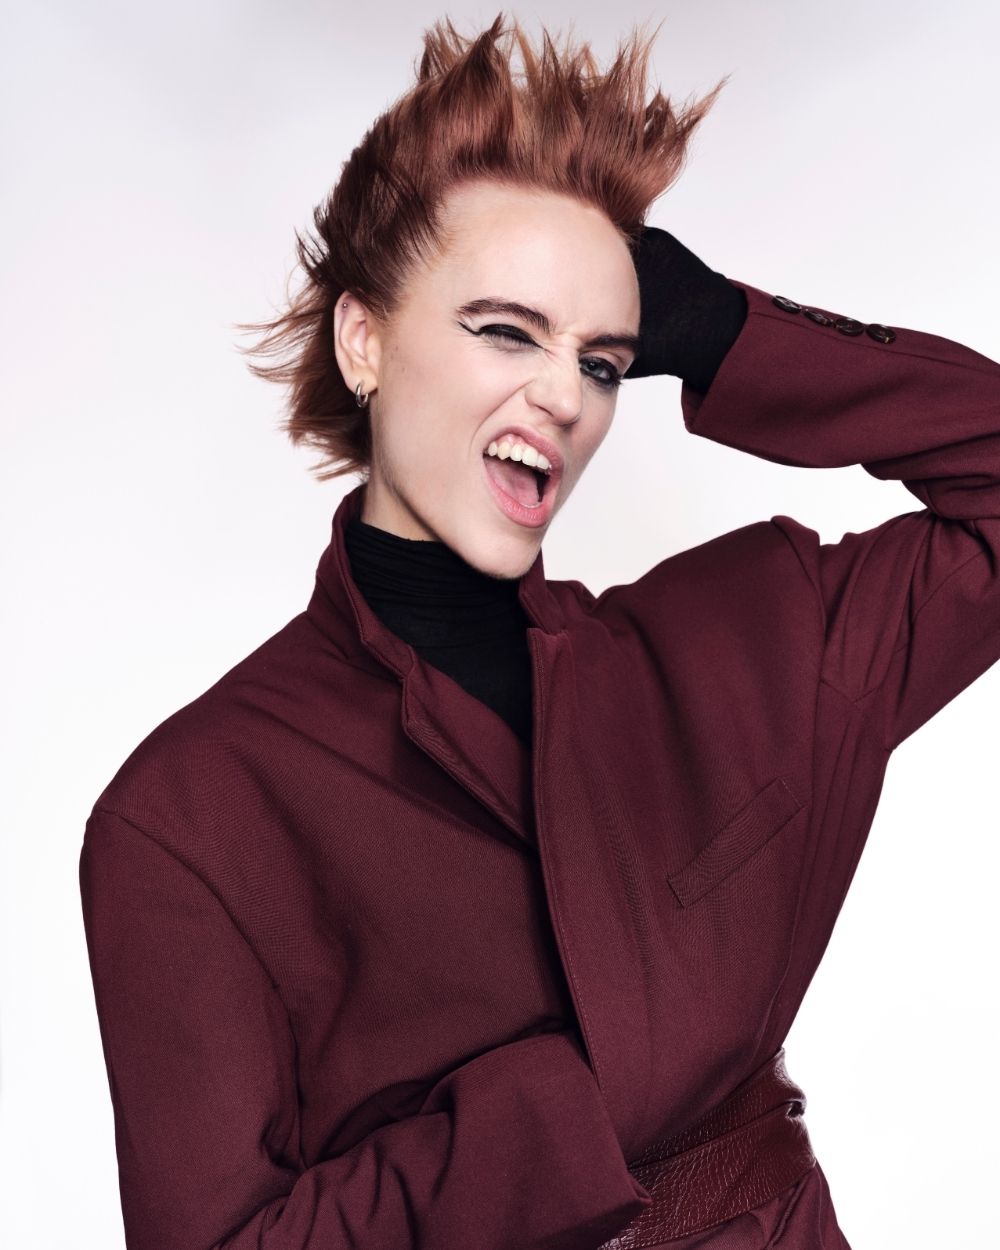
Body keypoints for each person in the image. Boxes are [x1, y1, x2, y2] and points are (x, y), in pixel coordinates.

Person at [78, 13, 1000, 1250]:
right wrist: (564, 1113)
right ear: (363, 340)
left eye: (603, 360)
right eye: (505, 330)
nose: (564, 394)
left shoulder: (749, 644)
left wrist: (725, 330)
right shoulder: (187, 813)